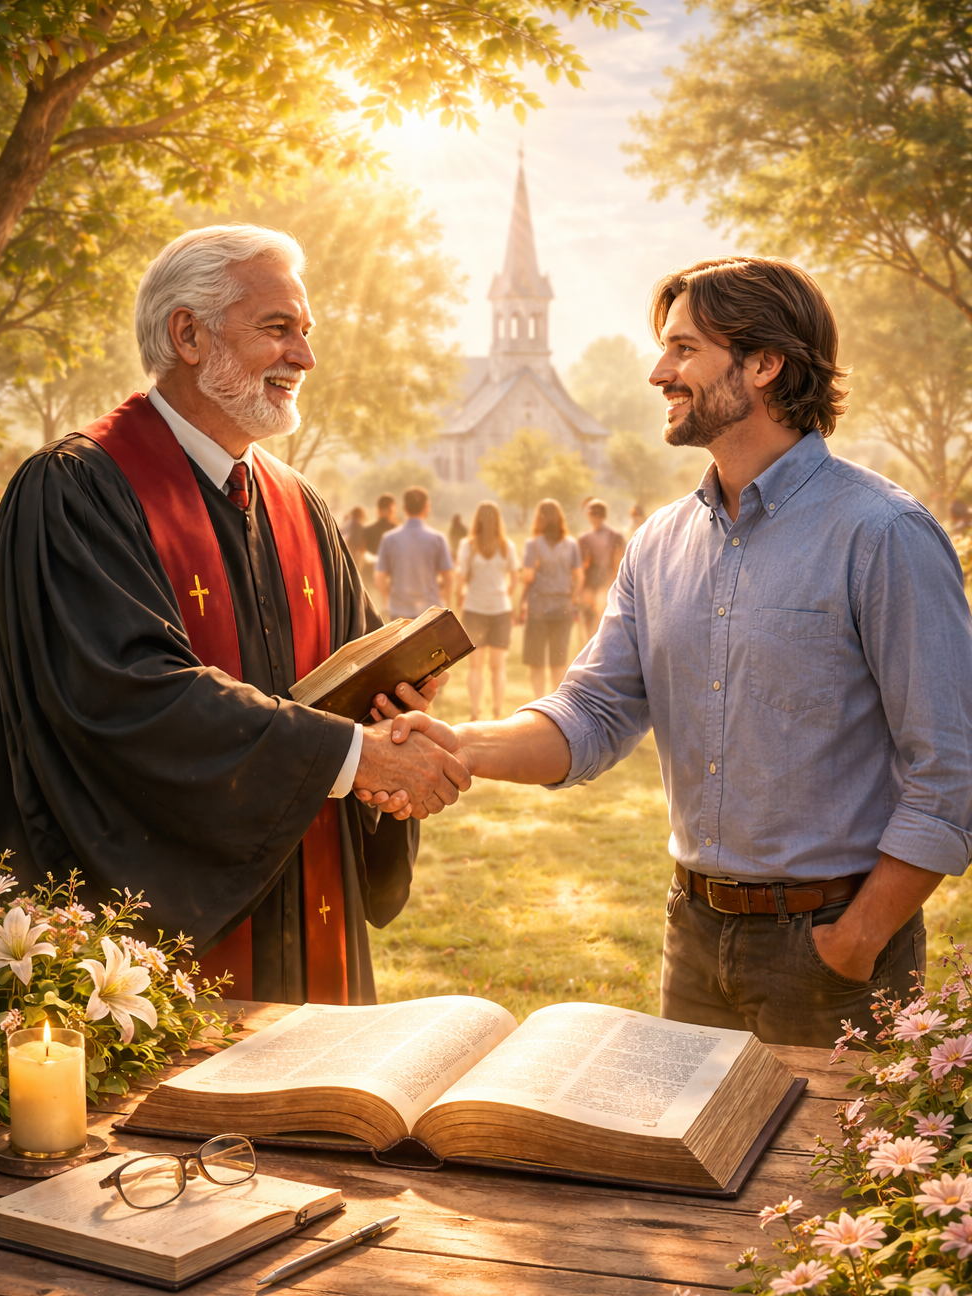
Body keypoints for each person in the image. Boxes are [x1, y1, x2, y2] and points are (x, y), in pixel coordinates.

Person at [0, 223, 470, 1296]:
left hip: (305, 923)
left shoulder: (299, 506)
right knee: (169, 1198)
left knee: (318, 1180)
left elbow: (343, 681)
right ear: (188, 337)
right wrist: (357, 755)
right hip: (162, 932)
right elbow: (123, 699)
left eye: (300, 325)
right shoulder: (73, 493)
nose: (306, 349)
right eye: (277, 326)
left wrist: (396, 719)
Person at [381, 256, 972, 1050]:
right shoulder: (658, 542)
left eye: (684, 349)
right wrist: (459, 745)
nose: (660, 371)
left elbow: (951, 769)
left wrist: (855, 939)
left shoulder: (882, 534)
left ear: (764, 365)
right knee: (689, 1174)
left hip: (835, 955)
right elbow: (590, 713)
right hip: (692, 938)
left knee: (826, 1178)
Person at [455, 501, 519, 719]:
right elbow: (515, 579)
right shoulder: (506, 545)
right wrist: (502, 595)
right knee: (498, 667)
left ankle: (475, 711)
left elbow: (461, 577)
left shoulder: (468, 545)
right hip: (501, 610)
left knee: (475, 666)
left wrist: (459, 595)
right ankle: (498, 711)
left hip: (474, 609)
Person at [520, 498, 582, 698]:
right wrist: (572, 598)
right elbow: (579, 576)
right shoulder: (571, 544)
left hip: (538, 607)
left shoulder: (533, 544)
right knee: (559, 661)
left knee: (537, 661)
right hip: (563, 607)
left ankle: (538, 701)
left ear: (541, 518)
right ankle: (557, 704)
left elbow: (527, 576)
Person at [375, 486, 453, 618]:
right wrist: (448, 601)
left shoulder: (389, 539)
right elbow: (448, 577)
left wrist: (388, 596)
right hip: (430, 611)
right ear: (427, 507)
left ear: (404, 508)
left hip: (399, 610)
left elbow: (380, 577)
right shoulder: (438, 539)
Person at [577, 499, 625, 642]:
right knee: (605, 624)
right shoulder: (616, 536)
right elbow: (619, 564)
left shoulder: (585, 538)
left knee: (590, 623)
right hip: (607, 585)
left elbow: (581, 566)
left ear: (589, 515)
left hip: (591, 586)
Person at [362, 492, 398, 558]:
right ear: (392, 509)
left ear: (378, 510)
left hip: (371, 567)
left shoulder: (366, 530)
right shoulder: (397, 531)